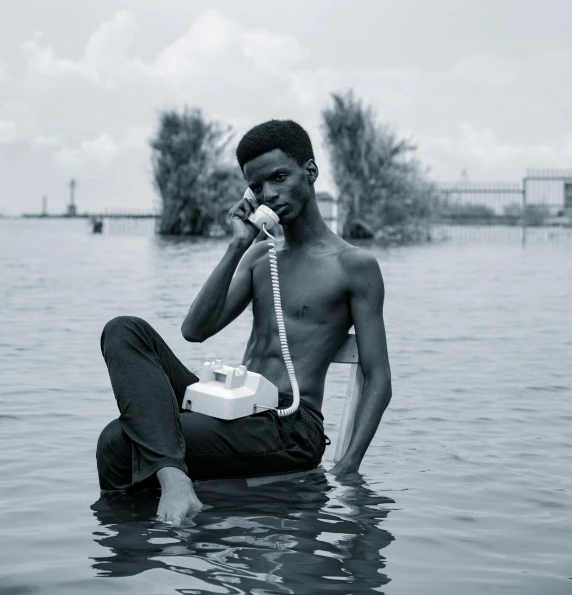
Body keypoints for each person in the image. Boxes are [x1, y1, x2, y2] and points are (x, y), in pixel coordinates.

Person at [96, 119, 392, 524]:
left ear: (310, 172)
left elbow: (378, 378)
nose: (268, 193)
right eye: (256, 186)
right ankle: (156, 518)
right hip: (232, 404)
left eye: (279, 177)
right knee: (123, 330)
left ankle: (146, 529)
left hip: (289, 425)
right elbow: (194, 331)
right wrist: (238, 243)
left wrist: (348, 468)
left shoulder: (353, 266)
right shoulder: (258, 256)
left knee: (118, 440)